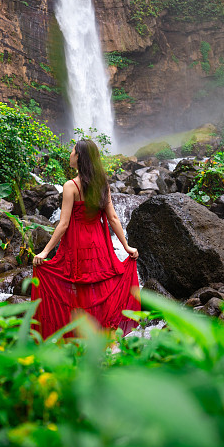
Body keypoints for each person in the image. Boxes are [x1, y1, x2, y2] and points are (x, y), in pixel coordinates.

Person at [31, 139, 140, 339]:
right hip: (99, 243)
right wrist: (126, 248)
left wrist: (45, 252)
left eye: (72, 152)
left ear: (79, 157)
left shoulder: (71, 186)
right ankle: (105, 337)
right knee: (101, 286)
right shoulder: (102, 184)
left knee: (78, 288)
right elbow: (113, 218)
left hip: (77, 243)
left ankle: (81, 336)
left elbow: (63, 224)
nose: (70, 155)